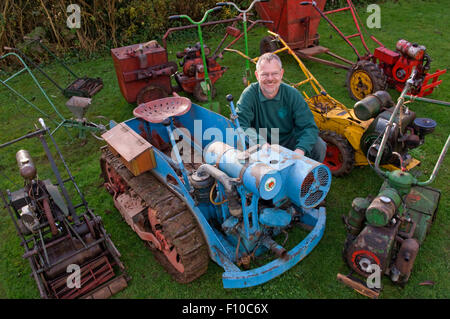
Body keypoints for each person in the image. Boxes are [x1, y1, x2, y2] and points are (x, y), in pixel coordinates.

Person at [236, 52, 326, 162]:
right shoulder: (249, 94)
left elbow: (309, 127)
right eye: (265, 74)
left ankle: (309, 178)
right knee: (239, 145)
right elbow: (241, 124)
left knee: (319, 146)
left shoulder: (292, 94)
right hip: (261, 143)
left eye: (274, 73)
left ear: (281, 73)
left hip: (287, 141)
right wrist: (262, 143)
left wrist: (300, 150)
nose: (270, 79)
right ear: (257, 75)